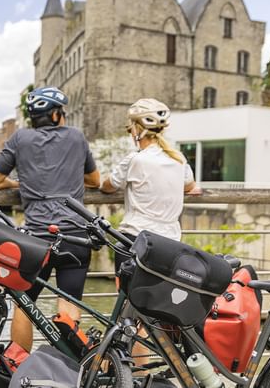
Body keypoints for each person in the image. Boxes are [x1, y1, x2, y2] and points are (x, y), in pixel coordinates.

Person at [0, 86, 100, 352]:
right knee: (69, 306)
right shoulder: (77, 138)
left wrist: (20, 183)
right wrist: (67, 175)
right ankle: (68, 371)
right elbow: (95, 180)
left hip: (37, 238)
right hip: (75, 236)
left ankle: (18, 365)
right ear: (57, 115)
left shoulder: (20, 139)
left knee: (24, 305)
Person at [101, 98, 198, 365]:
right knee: (150, 315)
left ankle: (128, 372)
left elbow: (107, 185)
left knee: (128, 316)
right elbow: (190, 186)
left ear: (137, 129)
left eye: (130, 128)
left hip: (135, 242)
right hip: (170, 246)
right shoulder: (178, 159)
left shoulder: (136, 159)